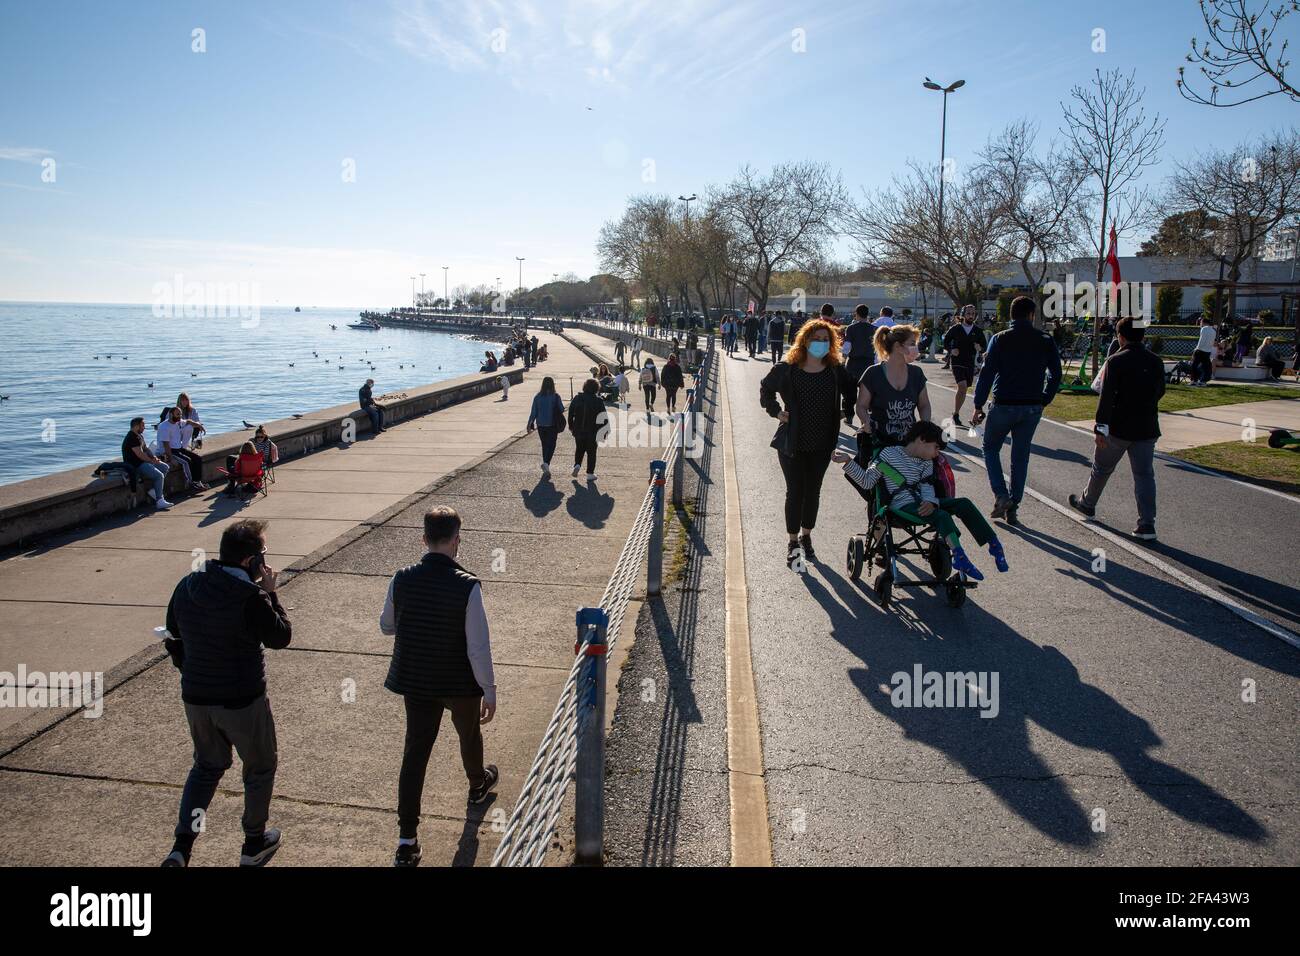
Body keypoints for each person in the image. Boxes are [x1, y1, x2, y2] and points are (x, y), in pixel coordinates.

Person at [161, 519, 292, 867]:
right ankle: (253, 843)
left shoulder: (188, 584)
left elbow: (172, 635)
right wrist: (272, 592)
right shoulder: (251, 597)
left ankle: (182, 848)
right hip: (242, 700)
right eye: (263, 555)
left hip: (197, 698)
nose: (266, 562)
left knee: (206, 767)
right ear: (250, 562)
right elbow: (280, 638)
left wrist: (190, 670)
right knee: (260, 768)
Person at [380, 506, 498, 867]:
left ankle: (407, 838)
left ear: (424, 539)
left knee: (415, 753)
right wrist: (489, 690)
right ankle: (477, 785)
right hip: (459, 681)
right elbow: (477, 646)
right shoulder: (468, 586)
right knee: (469, 735)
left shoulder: (401, 578)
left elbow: (387, 626)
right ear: (457, 539)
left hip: (417, 680)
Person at [834, 420, 1008, 580]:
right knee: (941, 516)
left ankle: (994, 545)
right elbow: (867, 481)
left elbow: (926, 486)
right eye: (936, 448)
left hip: (924, 503)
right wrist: (848, 461)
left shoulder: (926, 463)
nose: (937, 454)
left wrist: (931, 502)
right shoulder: (887, 455)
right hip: (901, 505)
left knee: (964, 503)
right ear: (922, 440)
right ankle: (959, 556)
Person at [759, 318, 857, 567]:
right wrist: (776, 411)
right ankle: (792, 540)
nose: (821, 344)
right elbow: (766, 388)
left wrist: (847, 411)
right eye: (816, 339)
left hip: (822, 443)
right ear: (804, 340)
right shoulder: (788, 368)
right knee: (795, 491)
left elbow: (851, 389)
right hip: (792, 442)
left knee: (813, 490)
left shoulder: (835, 369)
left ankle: (806, 536)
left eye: (826, 340)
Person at [1068, 317, 1165, 541]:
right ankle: (1147, 523)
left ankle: (1088, 503)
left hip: (1119, 427)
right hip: (1147, 426)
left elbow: (1107, 396)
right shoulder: (1155, 361)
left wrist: (1101, 427)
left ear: (1121, 336)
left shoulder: (1116, 361)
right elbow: (1160, 391)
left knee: (1101, 468)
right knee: (1144, 475)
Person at [971, 296, 1062, 527]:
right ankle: (1014, 505)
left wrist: (978, 404)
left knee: (990, 448)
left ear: (1010, 315)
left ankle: (1001, 495)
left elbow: (987, 373)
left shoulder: (1001, 339)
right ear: (1032, 314)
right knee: (1020, 457)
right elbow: (1056, 374)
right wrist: (1045, 398)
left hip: (1004, 403)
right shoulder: (1044, 339)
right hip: (1032, 405)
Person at [856, 324, 932, 450]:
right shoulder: (873, 373)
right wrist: (866, 421)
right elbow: (861, 406)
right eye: (912, 343)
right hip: (878, 443)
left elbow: (924, 405)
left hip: (908, 445)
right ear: (897, 346)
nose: (916, 348)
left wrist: (924, 427)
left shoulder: (916, 373)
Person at [942, 305, 987, 427]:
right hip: (957, 362)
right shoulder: (956, 329)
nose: (971, 316)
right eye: (968, 313)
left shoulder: (977, 331)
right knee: (961, 386)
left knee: (965, 388)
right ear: (963, 315)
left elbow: (985, 346)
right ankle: (956, 415)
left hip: (970, 363)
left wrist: (981, 348)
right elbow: (945, 341)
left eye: (973, 313)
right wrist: (951, 350)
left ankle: (955, 412)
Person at [123, 416, 172, 509]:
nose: (144, 428)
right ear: (136, 426)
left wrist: (154, 457)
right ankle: (159, 500)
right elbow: (140, 454)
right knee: (159, 475)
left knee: (165, 467)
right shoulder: (131, 437)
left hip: (144, 461)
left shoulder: (139, 436)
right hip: (136, 464)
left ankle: (154, 491)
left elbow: (145, 449)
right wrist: (151, 461)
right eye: (142, 425)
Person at [158, 405, 209, 492]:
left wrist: (198, 425)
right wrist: (171, 459)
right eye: (178, 414)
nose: (180, 417)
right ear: (171, 415)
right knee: (187, 461)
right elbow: (166, 444)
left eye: (181, 414)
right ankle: (191, 483)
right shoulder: (164, 427)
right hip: (171, 450)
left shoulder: (178, 422)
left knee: (197, 459)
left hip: (179, 448)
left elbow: (188, 421)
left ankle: (197, 481)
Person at [568, 378, 607, 481]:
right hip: (593, 431)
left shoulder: (577, 398)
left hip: (578, 429)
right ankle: (590, 473)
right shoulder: (598, 400)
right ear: (596, 388)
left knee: (579, 449)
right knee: (591, 452)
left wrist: (571, 425)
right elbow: (604, 417)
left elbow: (570, 413)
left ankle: (577, 465)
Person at [527, 376, 566, 475]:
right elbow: (562, 409)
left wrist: (529, 424)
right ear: (553, 385)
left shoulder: (537, 396)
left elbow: (533, 412)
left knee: (544, 445)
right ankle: (546, 463)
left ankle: (545, 464)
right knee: (552, 445)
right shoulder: (556, 396)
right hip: (552, 424)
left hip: (540, 424)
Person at [842, 304, 877, 387]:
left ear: (856, 314)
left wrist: (843, 361)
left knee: (850, 394)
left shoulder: (851, 328)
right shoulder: (875, 329)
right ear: (867, 314)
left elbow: (847, 347)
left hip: (853, 364)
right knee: (867, 393)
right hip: (869, 363)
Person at [1190, 315, 1217, 387]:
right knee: (1206, 367)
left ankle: (1194, 381)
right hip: (1207, 351)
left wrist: (1196, 349)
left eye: (1200, 322)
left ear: (1203, 322)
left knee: (1194, 366)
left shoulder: (1204, 329)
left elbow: (1201, 340)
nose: (1200, 324)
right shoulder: (1214, 331)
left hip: (1200, 350)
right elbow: (1212, 342)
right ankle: (1203, 381)